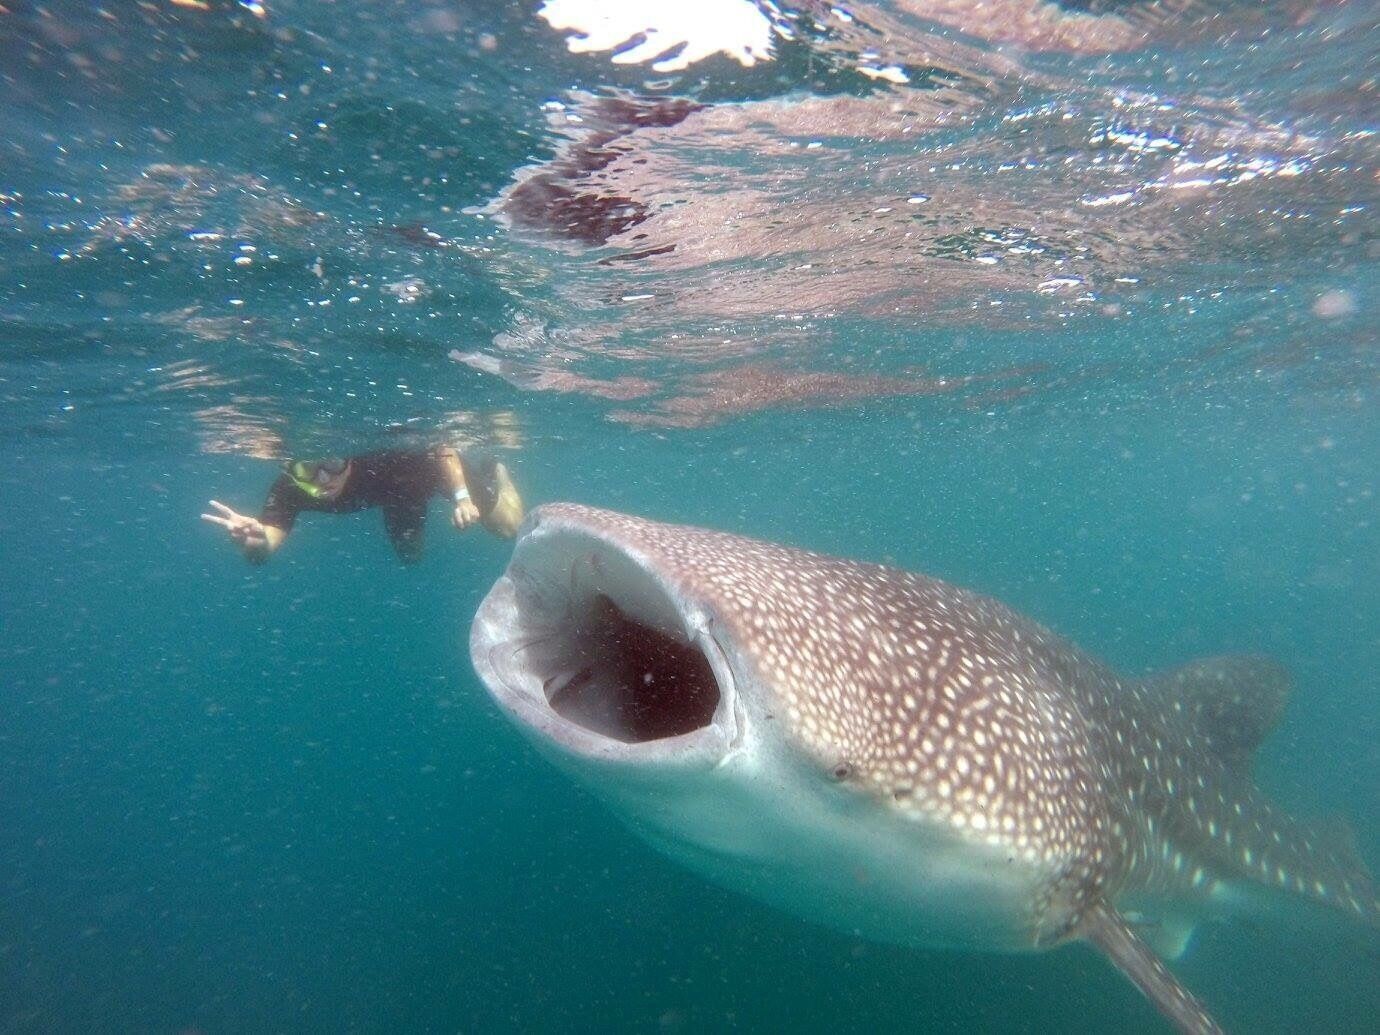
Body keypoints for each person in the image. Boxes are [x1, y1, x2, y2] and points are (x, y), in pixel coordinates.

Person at [202, 447, 524, 564]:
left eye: (332, 462)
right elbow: (264, 546)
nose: (323, 478)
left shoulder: (378, 457)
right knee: (411, 557)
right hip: (394, 496)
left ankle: (498, 473)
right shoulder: (290, 489)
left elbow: (443, 450)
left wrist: (462, 497)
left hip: (429, 474)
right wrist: (255, 543)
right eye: (308, 468)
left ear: (349, 458)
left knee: (510, 528)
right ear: (291, 469)